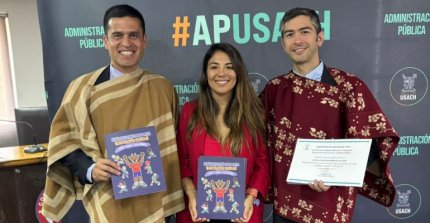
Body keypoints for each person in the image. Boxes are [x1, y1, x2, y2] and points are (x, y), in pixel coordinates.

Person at [41, 4, 184, 223]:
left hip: (156, 203)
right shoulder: (82, 89)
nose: (126, 43)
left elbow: (175, 146)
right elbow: (63, 145)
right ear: (105, 41)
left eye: (133, 35)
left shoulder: (162, 88)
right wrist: (89, 168)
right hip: (108, 199)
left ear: (144, 40)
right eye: (117, 35)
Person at [260, 7, 399, 223]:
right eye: (289, 34)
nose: (297, 40)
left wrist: (337, 172)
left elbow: (372, 145)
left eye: (304, 31)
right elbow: (256, 139)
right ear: (283, 43)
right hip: (286, 204)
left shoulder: (349, 86)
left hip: (332, 201)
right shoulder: (274, 90)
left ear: (320, 37)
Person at [176, 43, 270, 223]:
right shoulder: (190, 111)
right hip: (199, 212)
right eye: (214, 67)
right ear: (206, 74)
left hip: (242, 212)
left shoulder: (254, 113)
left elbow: (262, 162)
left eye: (229, 67)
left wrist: (250, 197)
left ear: (238, 73)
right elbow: (181, 160)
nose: (221, 73)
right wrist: (192, 194)